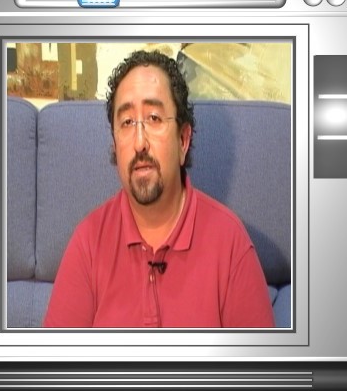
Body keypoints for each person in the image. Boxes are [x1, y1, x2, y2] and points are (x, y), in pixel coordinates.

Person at [43, 50, 275, 328]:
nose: (139, 142)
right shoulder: (88, 244)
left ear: (183, 140)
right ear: (115, 146)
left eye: (154, 118)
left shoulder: (231, 244)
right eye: (127, 122)